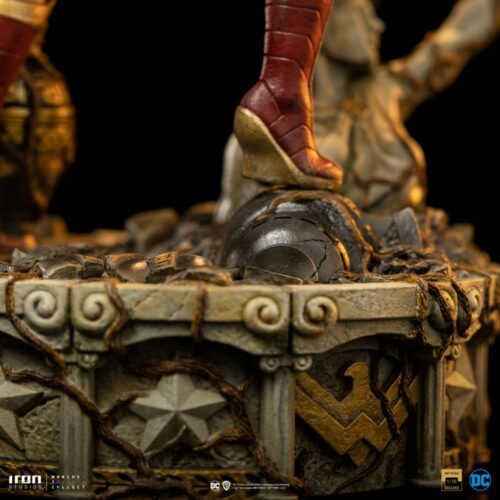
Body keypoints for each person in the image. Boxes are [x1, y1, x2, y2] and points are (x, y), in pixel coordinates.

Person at [217, 0, 499, 222]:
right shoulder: (259, 143)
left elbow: (461, 35)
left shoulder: (382, 92)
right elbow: (234, 233)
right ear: (323, 23)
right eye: (363, 12)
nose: (378, 25)